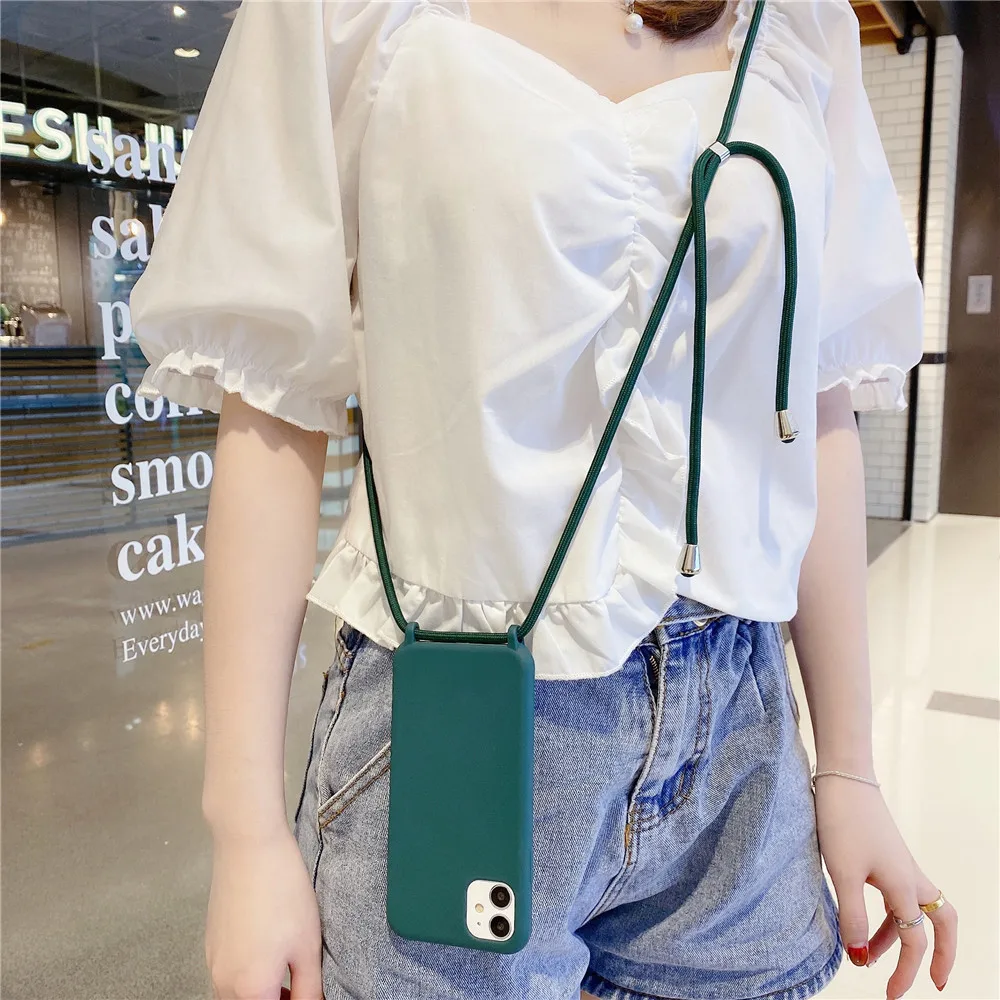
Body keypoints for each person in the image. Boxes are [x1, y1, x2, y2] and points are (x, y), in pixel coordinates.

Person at [129, 1, 960, 998]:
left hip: (738, 733)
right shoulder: (348, 15)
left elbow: (812, 397)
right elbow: (271, 401)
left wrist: (849, 766)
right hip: (460, 712)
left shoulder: (797, 22)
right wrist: (246, 829)